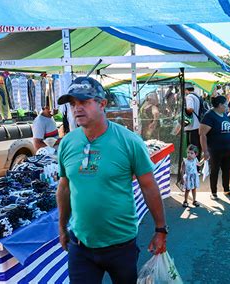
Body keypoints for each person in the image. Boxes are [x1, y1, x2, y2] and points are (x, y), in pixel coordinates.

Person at [56, 77, 167, 283]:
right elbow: (64, 188)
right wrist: (62, 228)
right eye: (73, 104)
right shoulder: (68, 143)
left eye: (84, 102)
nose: (77, 109)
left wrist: (160, 229)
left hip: (121, 245)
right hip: (81, 245)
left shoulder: (129, 141)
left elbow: (149, 186)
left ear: (102, 104)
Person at [199, 95, 230, 199]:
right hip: (215, 150)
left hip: (227, 149)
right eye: (225, 104)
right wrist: (205, 151)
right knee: (214, 170)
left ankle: (226, 190)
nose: (227, 106)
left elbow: (229, 130)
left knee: (226, 170)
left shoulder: (224, 114)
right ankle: (213, 192)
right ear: (219, 105)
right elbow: (202, 134)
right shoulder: (209, 116)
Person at [185, 83, 202, 156]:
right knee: (197, 146)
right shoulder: (197, 96)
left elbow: (190, 109)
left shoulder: (189, 96)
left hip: (192, 126)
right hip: (198, 125)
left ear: (185, 90)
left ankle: (193, 165)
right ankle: (197, 164)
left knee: (192, 147)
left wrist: (184, 111)